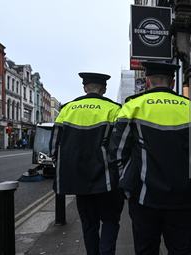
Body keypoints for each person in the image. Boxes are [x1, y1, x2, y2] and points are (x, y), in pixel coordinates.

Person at [109, 61, 191, 255]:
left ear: (147, 82)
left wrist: (127, 189)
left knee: (146, 250)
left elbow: (117, 154)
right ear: (173, 82)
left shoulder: (132, 106)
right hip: (182, 200)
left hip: (144, 199)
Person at [49, 72, 125, 255]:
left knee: (89, 224)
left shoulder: (67, 109)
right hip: (107, 180)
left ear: (85, 88)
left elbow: (54, 146)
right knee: (110, 221)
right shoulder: (115, 109)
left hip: (79, 180)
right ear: (104, 90)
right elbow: (121, 146)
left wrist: (64, 168)